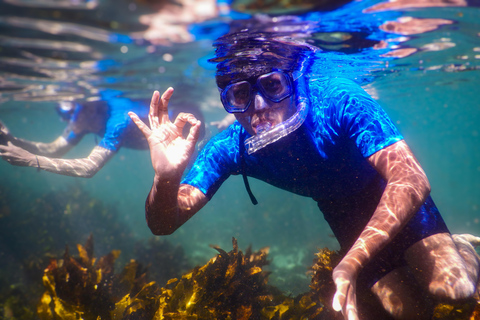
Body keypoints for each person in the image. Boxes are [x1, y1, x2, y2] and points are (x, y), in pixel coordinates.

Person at [128, 29, 480, 320]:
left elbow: (410, 179)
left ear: (293, 82)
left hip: (393, 195)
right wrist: (167, 178)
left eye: (273, 87)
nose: (260, 108)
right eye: (240, 95)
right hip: (345, 214)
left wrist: (350, 264)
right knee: (410, 313)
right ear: (228, 104)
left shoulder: (338, 100)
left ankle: (461, 247)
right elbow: (164, 223)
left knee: (454, 290)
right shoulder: (229, 148)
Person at [0, 90, 205, 177]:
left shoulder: (118, 121)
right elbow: (55, 148)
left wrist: (31, 160)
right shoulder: (88, 119)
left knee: (195, 165)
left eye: (71, 113)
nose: (71, 121)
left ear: (91, 109)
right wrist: (12, 140)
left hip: (191, 125)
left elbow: (89, 168)